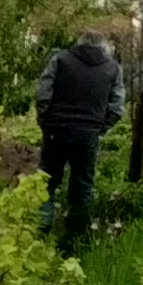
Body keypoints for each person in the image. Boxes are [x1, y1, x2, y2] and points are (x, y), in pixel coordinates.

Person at [33, 30, 127, 247]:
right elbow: (117, 106)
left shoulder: (60, 60)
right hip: (88, 134)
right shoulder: (113, 68)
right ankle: (75, 237)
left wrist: (45, 121)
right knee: (83, 184)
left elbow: (43, 94)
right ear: (103, 46)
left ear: (80, 43)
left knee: (47, 180)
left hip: (57, 129)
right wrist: (100, 128)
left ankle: (40, 231)